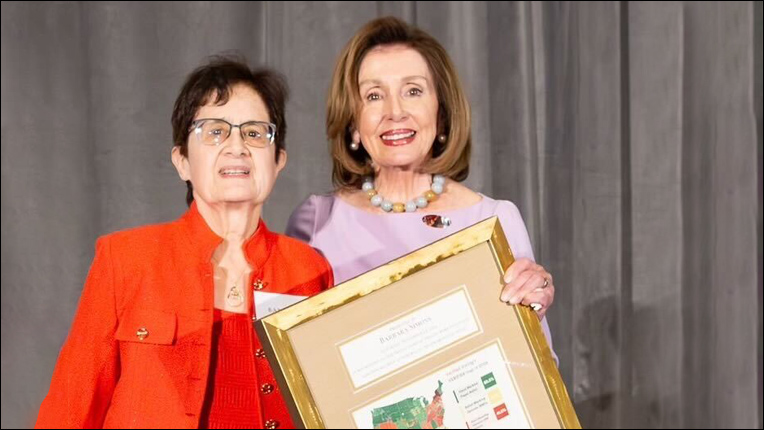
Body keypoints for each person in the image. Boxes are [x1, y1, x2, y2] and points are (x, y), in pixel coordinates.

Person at [35, 57, 332, 429]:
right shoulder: (126, 261)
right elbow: (68, 412)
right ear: (182, 162)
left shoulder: (309, 270)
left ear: (278, 161)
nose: (237, 146)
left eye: (255, 133)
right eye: (214, 131)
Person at [286, 17, 556, 353]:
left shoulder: (494, 219)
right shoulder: (313, 221)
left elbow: (536, 371)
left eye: (413, 91)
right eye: (373, 95)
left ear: (441, 114)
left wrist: (534, 298)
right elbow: (296, 364)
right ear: (353, 123)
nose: (395, 111)